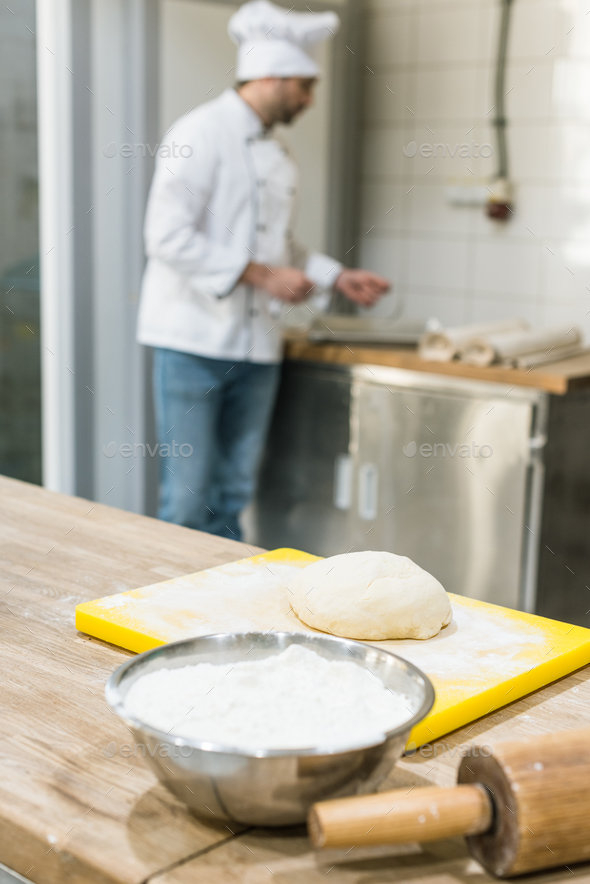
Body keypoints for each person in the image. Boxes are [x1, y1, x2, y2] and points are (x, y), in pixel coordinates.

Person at [137, 0, 390, 539]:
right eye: (305, 86)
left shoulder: (280, 156)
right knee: (185, 504)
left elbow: (281, 247)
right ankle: (172, 619)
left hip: (258, 350)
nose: (309, 99)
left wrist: (334, 277)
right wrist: (260, 275)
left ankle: (222, 618)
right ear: (274, 76)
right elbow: (165, 237)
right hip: (193, 344)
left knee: (232, 500)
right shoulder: (197, 133)